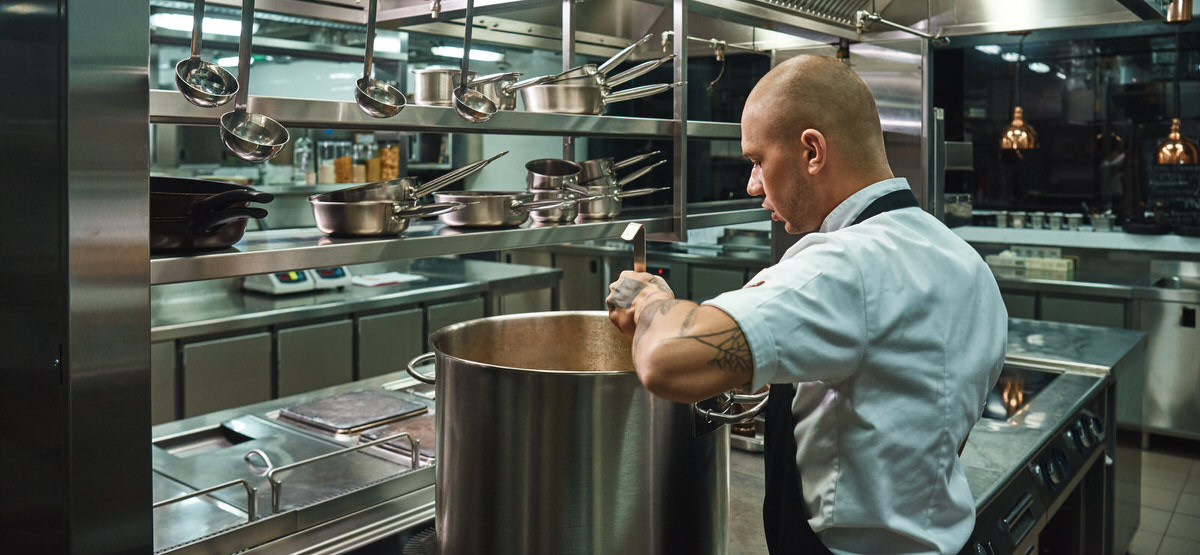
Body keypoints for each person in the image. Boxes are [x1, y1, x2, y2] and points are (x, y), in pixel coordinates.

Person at [605, 55, 1007, 555]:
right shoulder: (964, 262)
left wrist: (649, 300)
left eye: (757, 160)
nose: (752, 184)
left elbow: (666, 360)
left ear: (812, 152)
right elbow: (938, 431)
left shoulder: (843, 264)